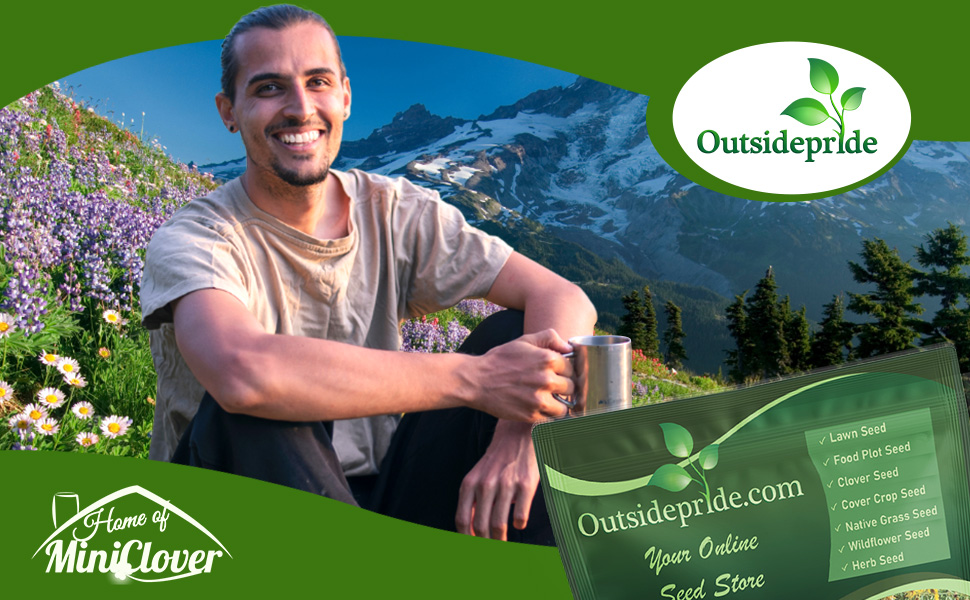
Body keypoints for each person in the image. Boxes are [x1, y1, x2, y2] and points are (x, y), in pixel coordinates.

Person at [140, 4, 596, 543]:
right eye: (269, 88)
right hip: (236, 507)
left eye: (318, 82)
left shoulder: (391, 208)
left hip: (383, 492)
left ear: (345, 97)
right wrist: (480, 380)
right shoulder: (199, 235)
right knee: (251, 407)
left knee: (519, 335)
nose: (300, 108)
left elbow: (563, 296)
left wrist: (522, 429)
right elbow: (241, 372)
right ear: (229, 111)